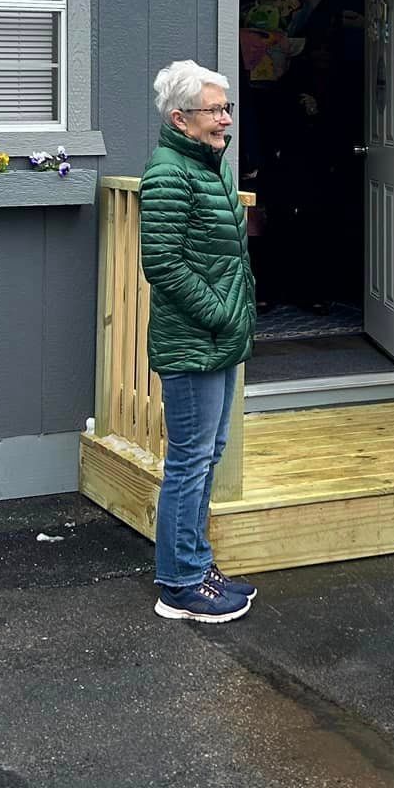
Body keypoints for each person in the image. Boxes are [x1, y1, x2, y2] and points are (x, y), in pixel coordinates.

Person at [140, 60, 258, 623]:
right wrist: (220, 313)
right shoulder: (170, 173)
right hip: (193, 340)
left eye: (226, 108)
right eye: (214, 110)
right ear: (180, 119)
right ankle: (179, 584)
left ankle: (197, 562)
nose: (225, 119)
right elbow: (162, 262)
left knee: (208, 455)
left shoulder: (211, 166)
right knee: (189, 462)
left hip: (217, 337)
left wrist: (231, 317)